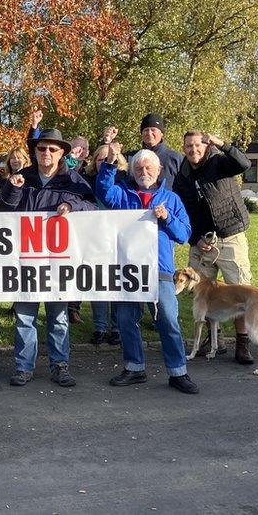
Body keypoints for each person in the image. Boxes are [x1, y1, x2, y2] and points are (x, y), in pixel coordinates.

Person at [94, 144, 199, 394]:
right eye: (138, 168)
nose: (144, 171)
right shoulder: (122, 193)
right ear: (132, 171)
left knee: (168, 320)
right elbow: (103, 192)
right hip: (128, 269)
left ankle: (178, 372)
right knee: (127, 319)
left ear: (159, 169)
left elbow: (184, 234)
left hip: (160, 269)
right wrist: (109, 163)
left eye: (148, 167)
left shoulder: (171, 199)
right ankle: (134, 368)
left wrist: (167, 218)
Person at [0, 129, 94, 388]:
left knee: (58, 316)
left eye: (52, 149)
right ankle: (23, 367)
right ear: (35, 152)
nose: (46, 153)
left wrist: (73, 206)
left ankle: (60, 365)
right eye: (42, 149)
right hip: (26, 259)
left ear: (62, 152)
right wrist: (13, 191)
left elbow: (94, 207)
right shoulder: (21, 178)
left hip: (59, 261)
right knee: (25, 315)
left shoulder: (73, 181)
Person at [173, 131, 255, 364]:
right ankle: (214, 340)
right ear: (184, 148)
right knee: (202, 293)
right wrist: (196, 238)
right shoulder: (183, 175)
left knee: (240, 290)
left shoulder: (219, 162)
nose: (193, 150)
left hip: (230, 236)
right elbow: (185, 212)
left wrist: (221, 143)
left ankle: (243, 342)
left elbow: (244, 163)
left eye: (198, 145)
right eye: (188, 146)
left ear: (206, 145)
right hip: (202, 242)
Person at [80, 144, 127, 345]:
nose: (103, 162)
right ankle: (100, 327)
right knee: (98, 285)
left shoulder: (124, 182)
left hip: (118, 240)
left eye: (107, 158)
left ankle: (116, 328)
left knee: (117, 284)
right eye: (99, 159)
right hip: (95, 241)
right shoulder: (86, 183)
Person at [112, 114, 183, 190]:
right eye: (146, 130)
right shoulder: (129, 158)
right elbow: (111, 178)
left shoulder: (176, 158)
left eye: (153, 130)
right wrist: (108, 143)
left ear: (161, 133)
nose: (149, 133)